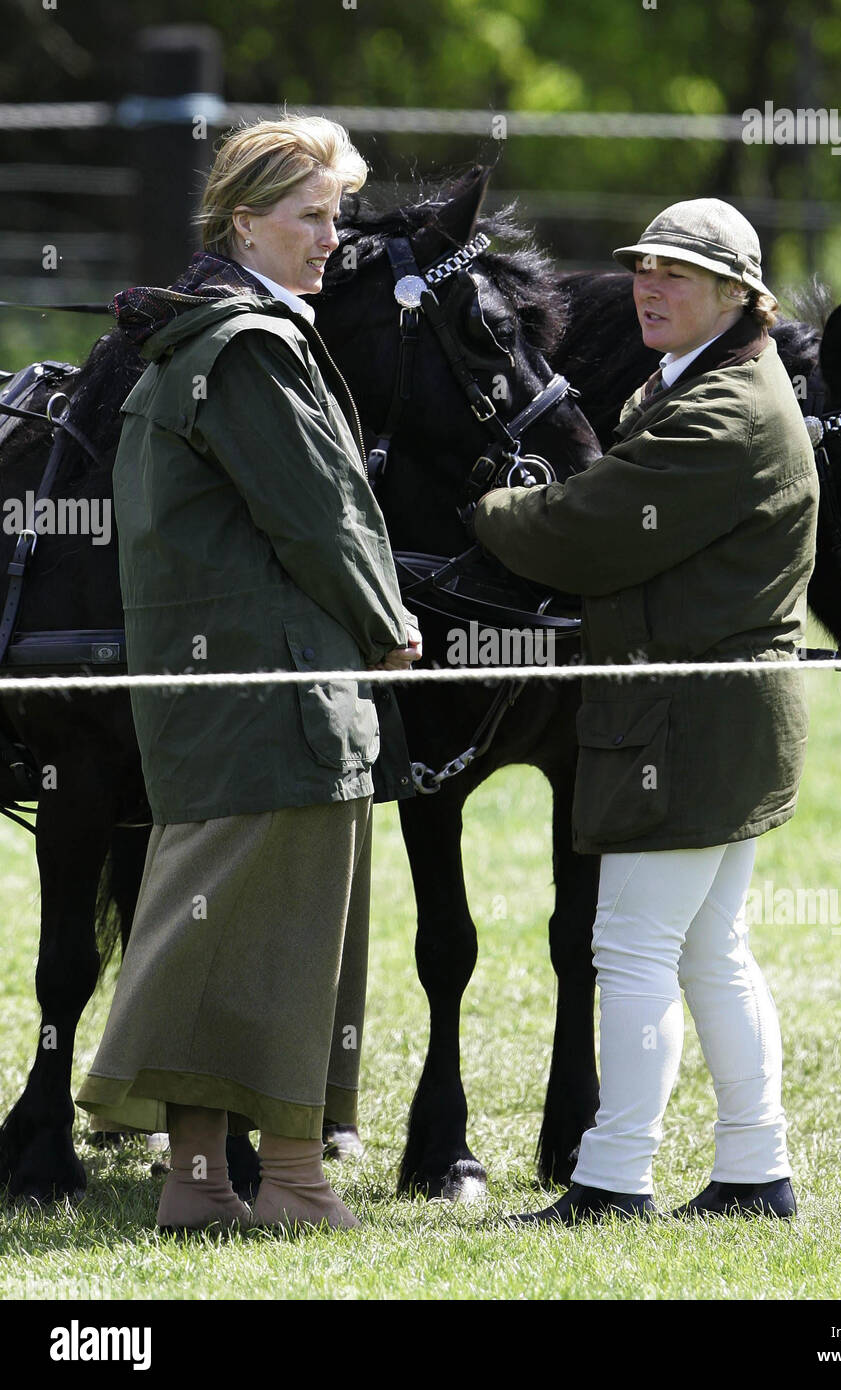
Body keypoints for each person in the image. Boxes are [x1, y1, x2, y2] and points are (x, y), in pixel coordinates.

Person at [75, 115, 421, 1234]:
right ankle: (297, 1184)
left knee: (202, 932)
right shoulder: (253, 346)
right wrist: (386, 622)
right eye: (312, 216)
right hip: (284, 703)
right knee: (288, 945)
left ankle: (198, 1183)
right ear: (244, 223)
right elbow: (320, 511)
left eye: (339, 215)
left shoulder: (184, 341)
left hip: (204, 704)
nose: (334, 239)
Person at [473, 199, 819, 1225]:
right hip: (718, 721)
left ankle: (613, 1177)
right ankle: (758, 1172)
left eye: (679, 273)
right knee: (713, 949)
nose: (649, 287)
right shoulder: (706, 383)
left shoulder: (724, 414)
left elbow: (588, 528)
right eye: (644, 268)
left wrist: (487, 504)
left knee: (628, 948)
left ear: (738, 296)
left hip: (686, 726)